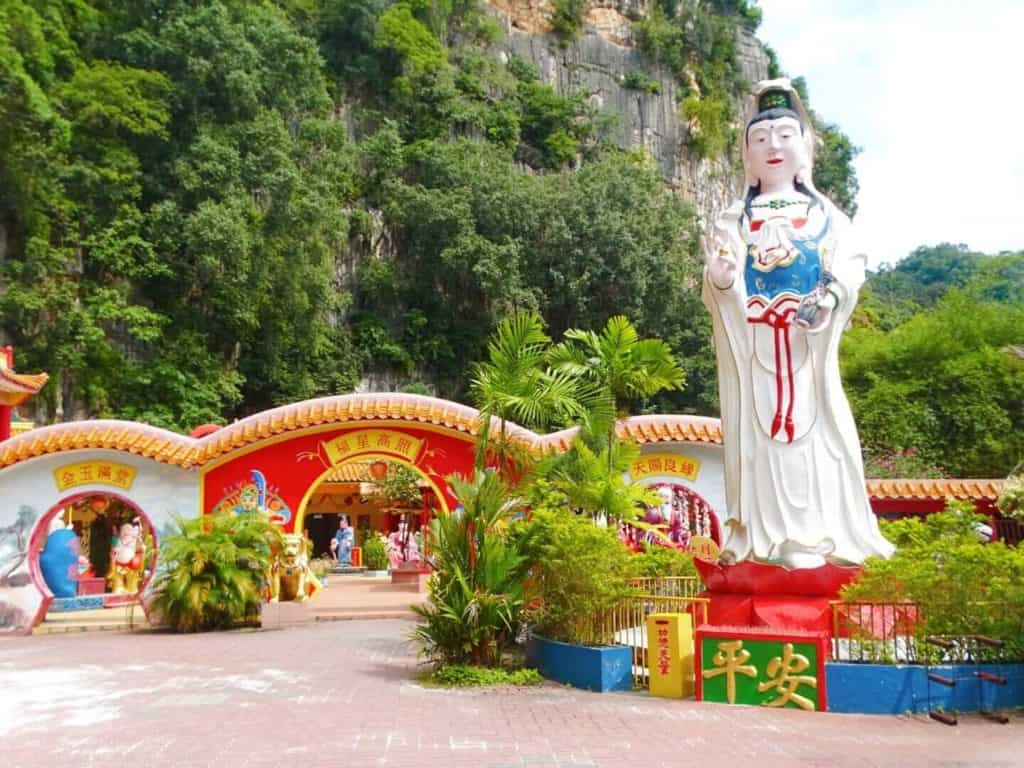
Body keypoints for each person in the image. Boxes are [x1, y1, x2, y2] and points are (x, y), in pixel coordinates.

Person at [702, 78, 894, 569]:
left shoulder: (826, 215)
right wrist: (723, 282)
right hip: (756, 343)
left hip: (807, 343)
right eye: (760, 139)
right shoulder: (733, 219)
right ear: (746, 155)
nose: (772, 146)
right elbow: (720, 277)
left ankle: (815, 536)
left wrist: (830, 296)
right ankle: (764, 537)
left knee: (812, 438)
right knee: (761, 439)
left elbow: (850, 264)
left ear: (804, 148)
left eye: (785, 135)